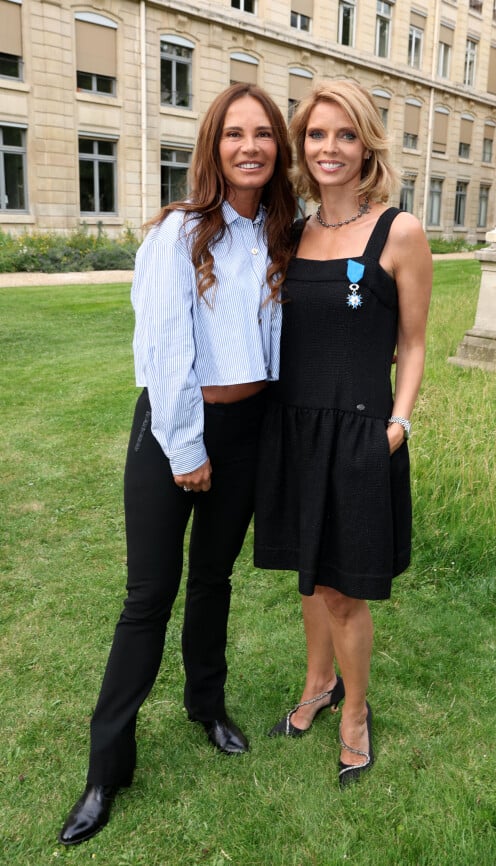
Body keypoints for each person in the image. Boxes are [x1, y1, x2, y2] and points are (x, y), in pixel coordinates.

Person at [58, 83, 295, 845]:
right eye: (235, 134)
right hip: (173, 430)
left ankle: (206, 705)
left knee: (215, 580)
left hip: (251, 430)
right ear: (214, 147)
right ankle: (106, 768)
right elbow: (165, 348)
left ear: (278, 149)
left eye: (263, 134)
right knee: (148, 596)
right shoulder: (180, 232)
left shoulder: (286, 237)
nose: (250, 146)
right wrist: (187, 449)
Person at [254, 79, 432, 787]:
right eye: (318, 135)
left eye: (346, 134)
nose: (330, 148)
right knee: (308, 575)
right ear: (303, 147)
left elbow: (413, 343)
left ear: (368, 146)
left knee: (342, 591)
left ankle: (354, 713)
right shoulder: (291, 233)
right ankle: (317, 685)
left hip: (361, 431)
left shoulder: (400, 231)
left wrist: (399, 422)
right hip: (294, 431)